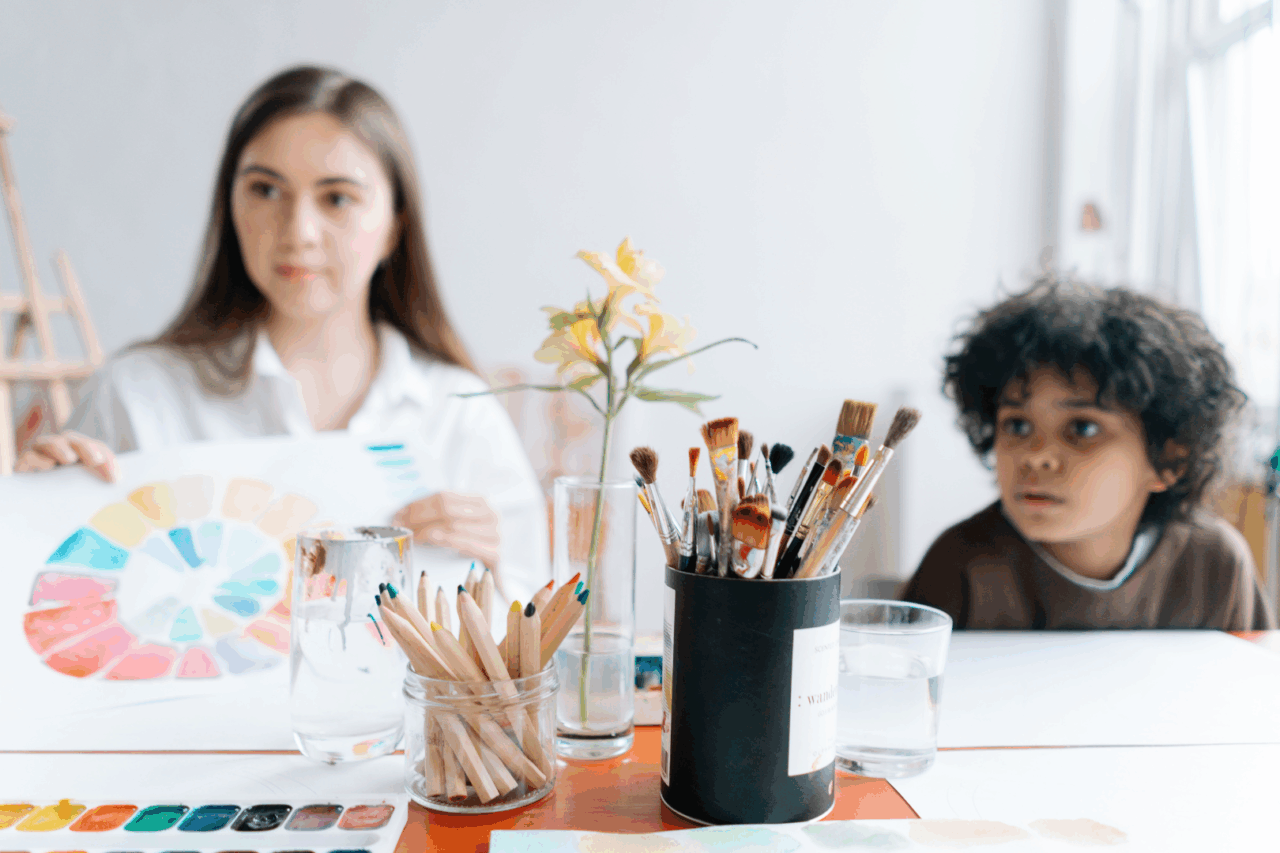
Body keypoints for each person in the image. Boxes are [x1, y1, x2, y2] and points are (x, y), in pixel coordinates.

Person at [16, 65, 549, 602]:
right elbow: (46, 611)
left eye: (337, 198)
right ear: (230, 205)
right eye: (265, 190)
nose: (298, 231)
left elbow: (535, 652)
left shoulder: (458, 414)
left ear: (394, 226)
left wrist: (494, 573)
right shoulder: (135, 397)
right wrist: (33, 519)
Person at [904, 277, 1274, 630]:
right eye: (1017, 425)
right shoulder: (960, 564)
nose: (1036, 456)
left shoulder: (1214, 563)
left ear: (1169, 460)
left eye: (1082, 428)